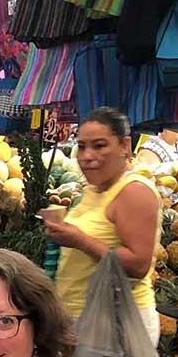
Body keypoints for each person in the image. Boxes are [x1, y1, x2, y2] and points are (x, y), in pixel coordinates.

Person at [42, 106, 164, 343]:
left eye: (99, 146)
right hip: (82, 319)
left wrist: (78, 239)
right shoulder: (93, 189)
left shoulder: (134, 191)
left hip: (116, 325)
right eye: (82, 146)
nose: (87, 156)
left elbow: (139, 265)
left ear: (125, 146)